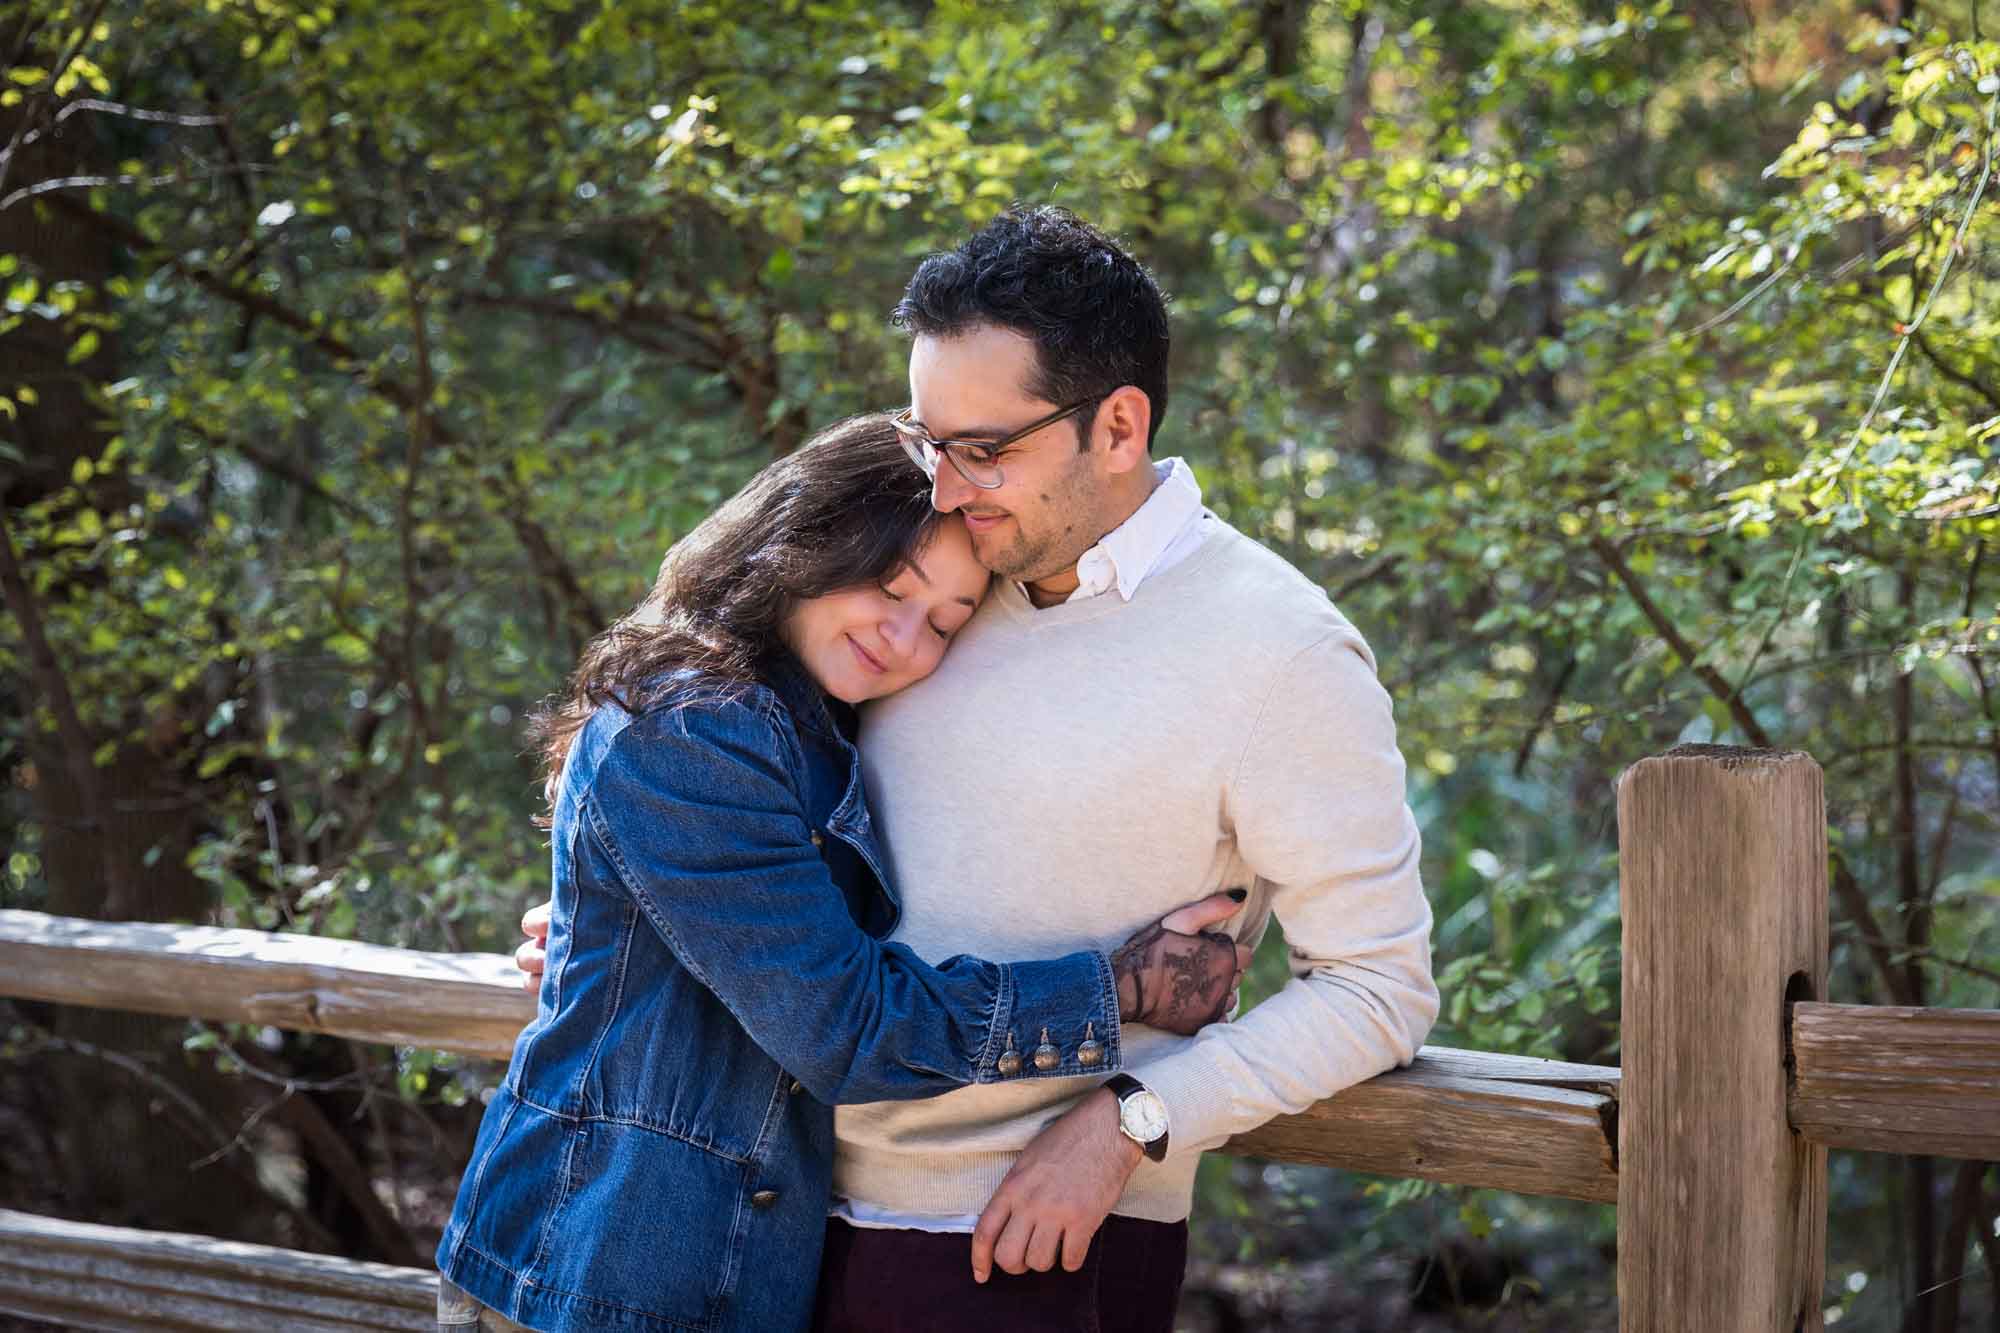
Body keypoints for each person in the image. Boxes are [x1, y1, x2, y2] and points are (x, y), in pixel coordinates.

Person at [522, 207, 1438, 1333]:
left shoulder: (1280, 651)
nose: (947, 488)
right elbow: (768, 826)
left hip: (1019, 1248)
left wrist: (1134, 1119)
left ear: (1116, 423)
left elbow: (1376, 990)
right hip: (756, 1230)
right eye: (927, 441)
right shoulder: (931, 583)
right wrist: (642, 924)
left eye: (984, 449)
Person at [436, 413, 1253, 1333]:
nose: (904, 637)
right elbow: (844, 1025)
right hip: (588, 1272)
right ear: (808, 541)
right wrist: (1120, 988)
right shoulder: (695, 723)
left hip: (732, 1281)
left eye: (946, 621)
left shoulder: (823, 728)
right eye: (890, 585)